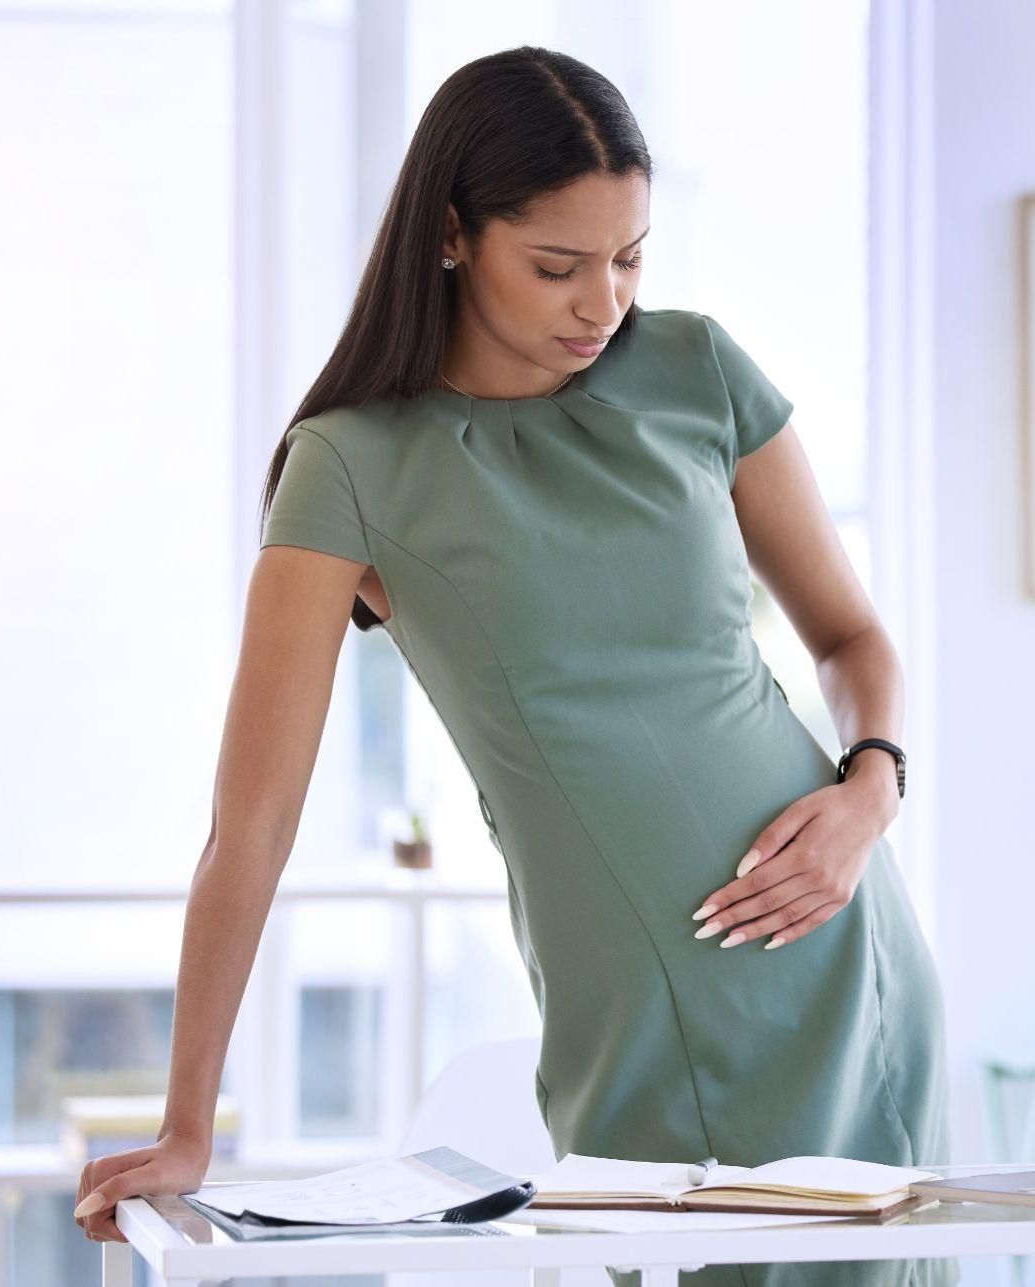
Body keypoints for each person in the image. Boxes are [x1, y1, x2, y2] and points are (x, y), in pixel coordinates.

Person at [70, 46, 955, 1287]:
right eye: (557, 265)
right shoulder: (354, 463)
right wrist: (188, 1122)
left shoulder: (694, 369)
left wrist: (872, 791)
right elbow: (252, 824)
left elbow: (851, 638)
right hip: (645, 997)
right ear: (450, 236)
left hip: (846, 936)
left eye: (631, 257)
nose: (603, 303)